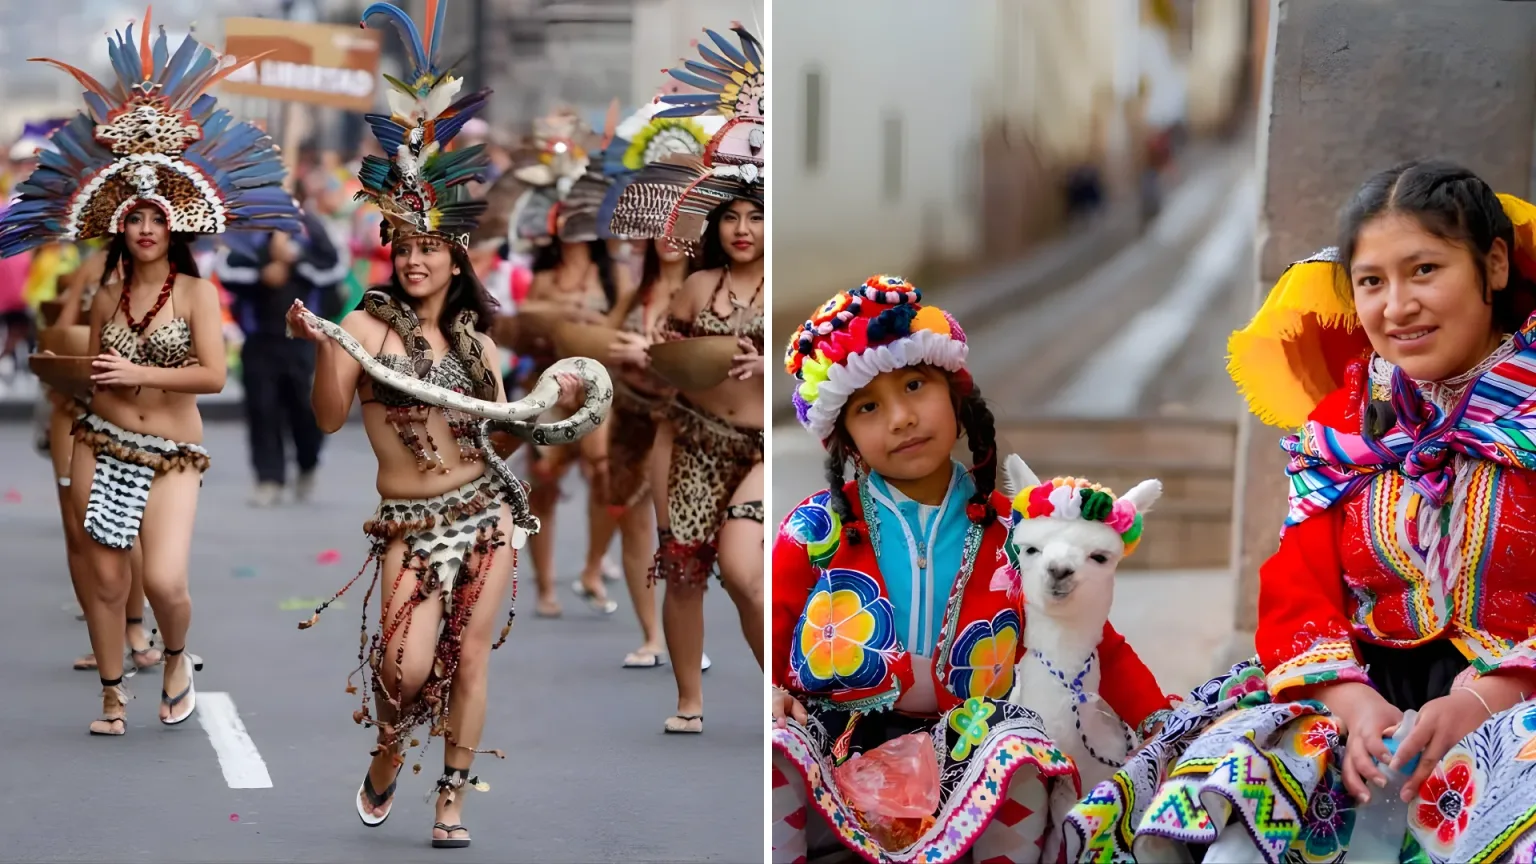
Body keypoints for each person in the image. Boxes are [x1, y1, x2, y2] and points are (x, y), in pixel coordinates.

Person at [1065, 159, 1536, 863]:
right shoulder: (1344, 423)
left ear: (1493, 265)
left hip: (1516, 694)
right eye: (1372, 281)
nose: (1396, 305)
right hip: (1358, 685)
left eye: (1425, 270)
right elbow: (1300, 583)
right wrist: (1350, 704)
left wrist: (1486, 700)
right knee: (1227, 801)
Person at [285, 2, 598, 848]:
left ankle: (452, 799)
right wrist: (323, 346)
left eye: (433, 244)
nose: (418, 257)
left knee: (467, 660)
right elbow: (327, 418)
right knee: (405, 666)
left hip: (483, 515)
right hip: (411, 525)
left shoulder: (475, 340)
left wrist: (548, 415)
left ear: (458, 253)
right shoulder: (365, 328)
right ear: (388, 247)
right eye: (404, 243)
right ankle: (390, 745)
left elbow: (498, 433)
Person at [770, 277, 1173, 864]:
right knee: (776, 743)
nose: (902, 417)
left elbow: (1091, 642)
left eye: (915, 385)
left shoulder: (1018, 535)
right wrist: (772, 695)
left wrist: (1159, 718)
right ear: (847, 440)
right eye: (869, 407)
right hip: (841, 747)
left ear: (957, 398)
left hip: (968, 746)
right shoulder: (814, 533)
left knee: (1023, 748)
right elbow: (775, 633)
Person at [0, 14, 301, 735]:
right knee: (104, 580)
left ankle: (174, 652)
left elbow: (211, 376)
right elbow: (96, 378)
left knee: (162, 579)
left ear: (175, 228)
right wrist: (71, 416)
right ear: (118, 225)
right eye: (133, 217)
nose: (144, 229)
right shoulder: (105, 295)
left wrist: (142, 370)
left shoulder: (198, 294)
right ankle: (111, 694)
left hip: (173, 454)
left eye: (156, 218)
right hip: (105, 442)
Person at [216, 207, 347, 506]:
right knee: (262, 409)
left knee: (306, 408)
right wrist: (265, 270)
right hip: (260, 338)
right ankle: (269, 478)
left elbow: (335, 269)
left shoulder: (311, 224)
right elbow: (227, 270)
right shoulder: (247, 228)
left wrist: (295, 259)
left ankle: (307, 463)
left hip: (303, 340)